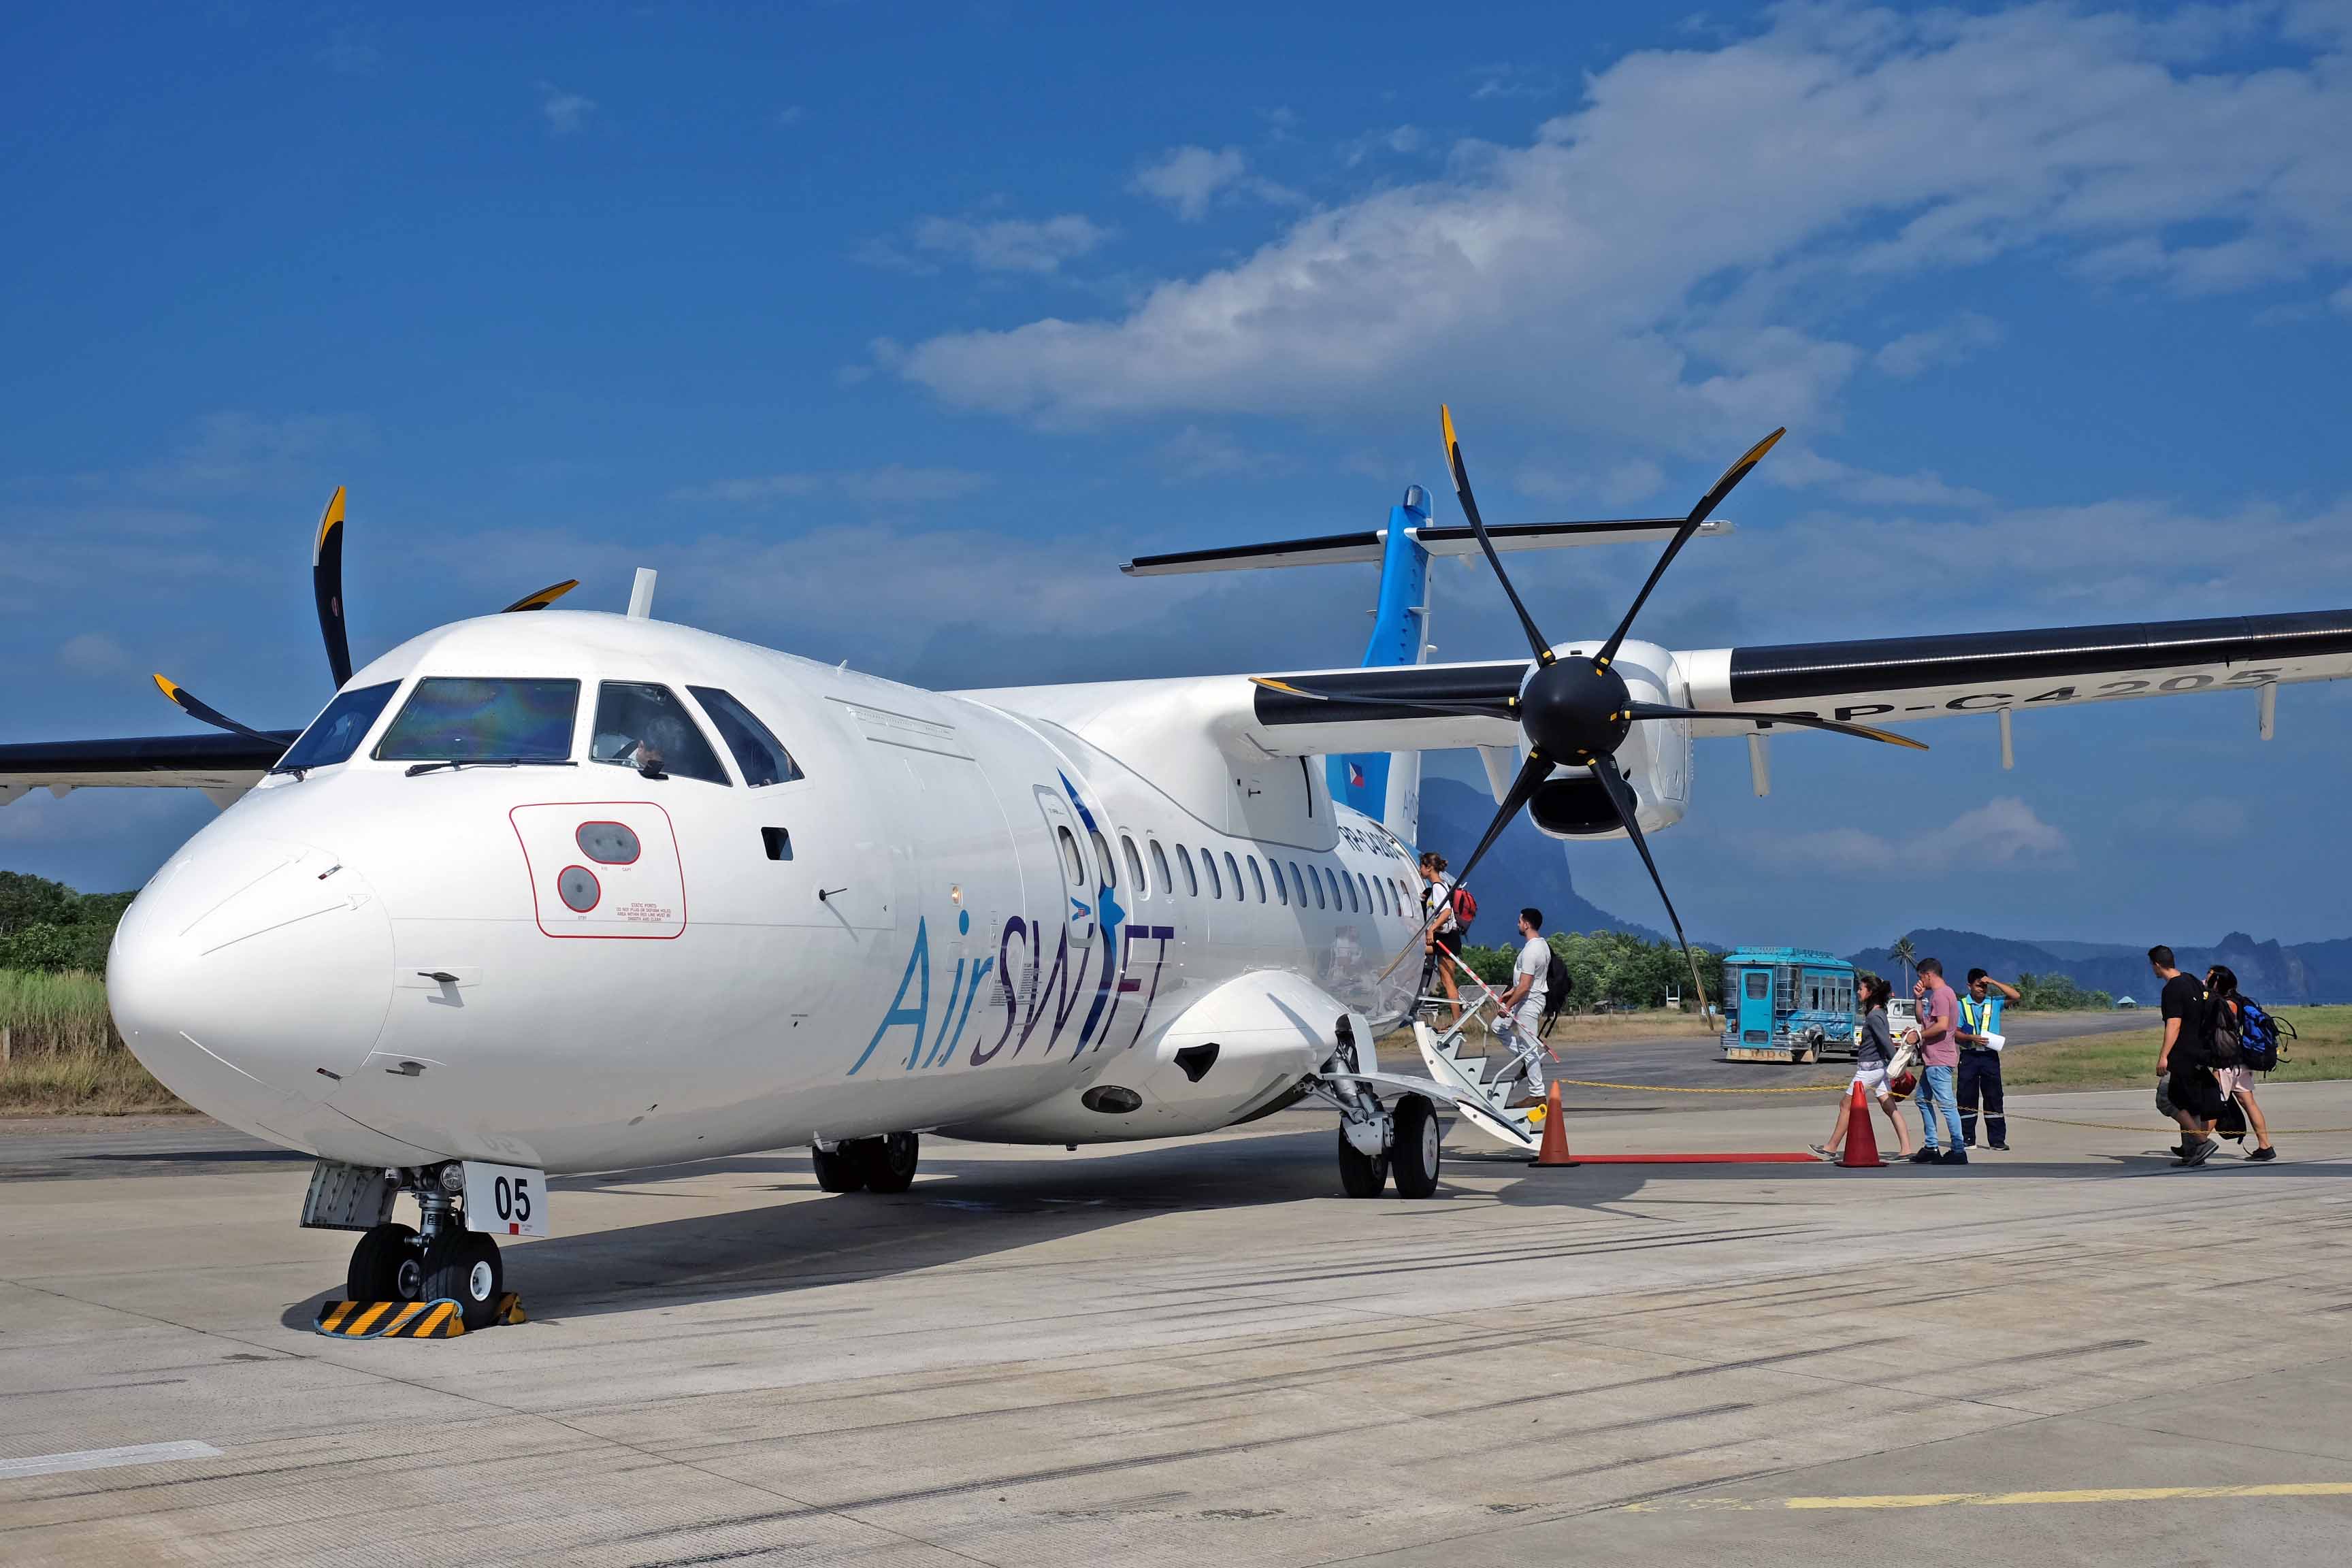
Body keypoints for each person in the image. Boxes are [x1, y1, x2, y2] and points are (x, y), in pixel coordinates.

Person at [1814, 974, 1914, 1162]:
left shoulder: (1875, 1016)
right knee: (1890, 1107)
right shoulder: (1878, 1013)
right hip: (1879, 1069)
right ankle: (1906, 1149)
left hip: (1869, 1070)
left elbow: (1886, 1043)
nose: (1858, 992)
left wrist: (1899, 1068)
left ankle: (1831, 1147)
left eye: (1861, 989)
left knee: (1845, 1105)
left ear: (1870, 992)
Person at [2152, 945, 2223, 1166]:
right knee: (2190, 1104)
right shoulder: (2192, 981)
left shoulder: (2172, 988)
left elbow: (2174, 1024)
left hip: (2181, 1055)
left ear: (2156, 965)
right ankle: (2192, 1153)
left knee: (2166, 1099)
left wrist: (2164, 1056)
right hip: (2199, 1053)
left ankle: (2201, 1142)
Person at [2205, 964, 2278, 1162]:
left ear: (2217, 981)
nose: (2207, 979)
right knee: (2249, 1103)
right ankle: (2265, 1146)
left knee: (2213, 1103)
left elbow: (2215, 1030)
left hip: (2226, 1064)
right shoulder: (2240, 1000)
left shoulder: (2224, 1004)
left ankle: (2198, 1146)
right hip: (2241, 1062)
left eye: (2210, 977)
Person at [1490, 907, 1552, 1109]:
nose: (1518, 924)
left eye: (1519, 921)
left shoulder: (1531, 950)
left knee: (1529, 1047)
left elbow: (1526, 986)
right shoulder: (1542, 946)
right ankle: (1529, 1063)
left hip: (1529, 1003)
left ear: (1526, 924)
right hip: (1526, 999)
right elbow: (1526, 983)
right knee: (1498, 1026)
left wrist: (1507, 1006)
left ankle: (1537, 1094)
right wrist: (1512, 992)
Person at [1910, 958, 1967, 1164]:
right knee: (1922, 1099)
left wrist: (1919, 1036)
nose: (1920, 981)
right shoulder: (1943, 994)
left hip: (1939, 1060)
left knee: (1946, 1105)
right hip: (1933, 1058)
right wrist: (1918, 998)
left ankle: (1959, 1149)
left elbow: (1942, 1026)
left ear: (1928, 975)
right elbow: (1921, 1020)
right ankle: (1931, 1146)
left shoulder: (1942, 995)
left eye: (1920, 977)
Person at [1957, 969, 2021, 1151]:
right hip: (1969, 1055)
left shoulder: (1995, 1002)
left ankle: (1997, 1140)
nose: (1982, 989)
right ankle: (1968, 1138)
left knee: (1993, 1097)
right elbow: (1955, 1032)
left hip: (1989, 1056)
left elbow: (2016, 995)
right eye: (1979, 985)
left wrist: (1993, 981)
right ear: (1969, 986)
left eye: (1985, 986)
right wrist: (1972, 1038)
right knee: (1966, 1096)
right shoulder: (1961, 1005)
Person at [1419, 853, 1463, 1024]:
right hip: (1446, 939)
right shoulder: (1438, 887)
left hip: (1447, 940)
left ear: (1429, 868)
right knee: (1418, 951)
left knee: (1448, 981)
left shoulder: (1438, 887)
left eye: (1422, 866)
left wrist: (1431, 929)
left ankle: (1457, 1022)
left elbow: (1445, 912)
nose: (1420, 870)